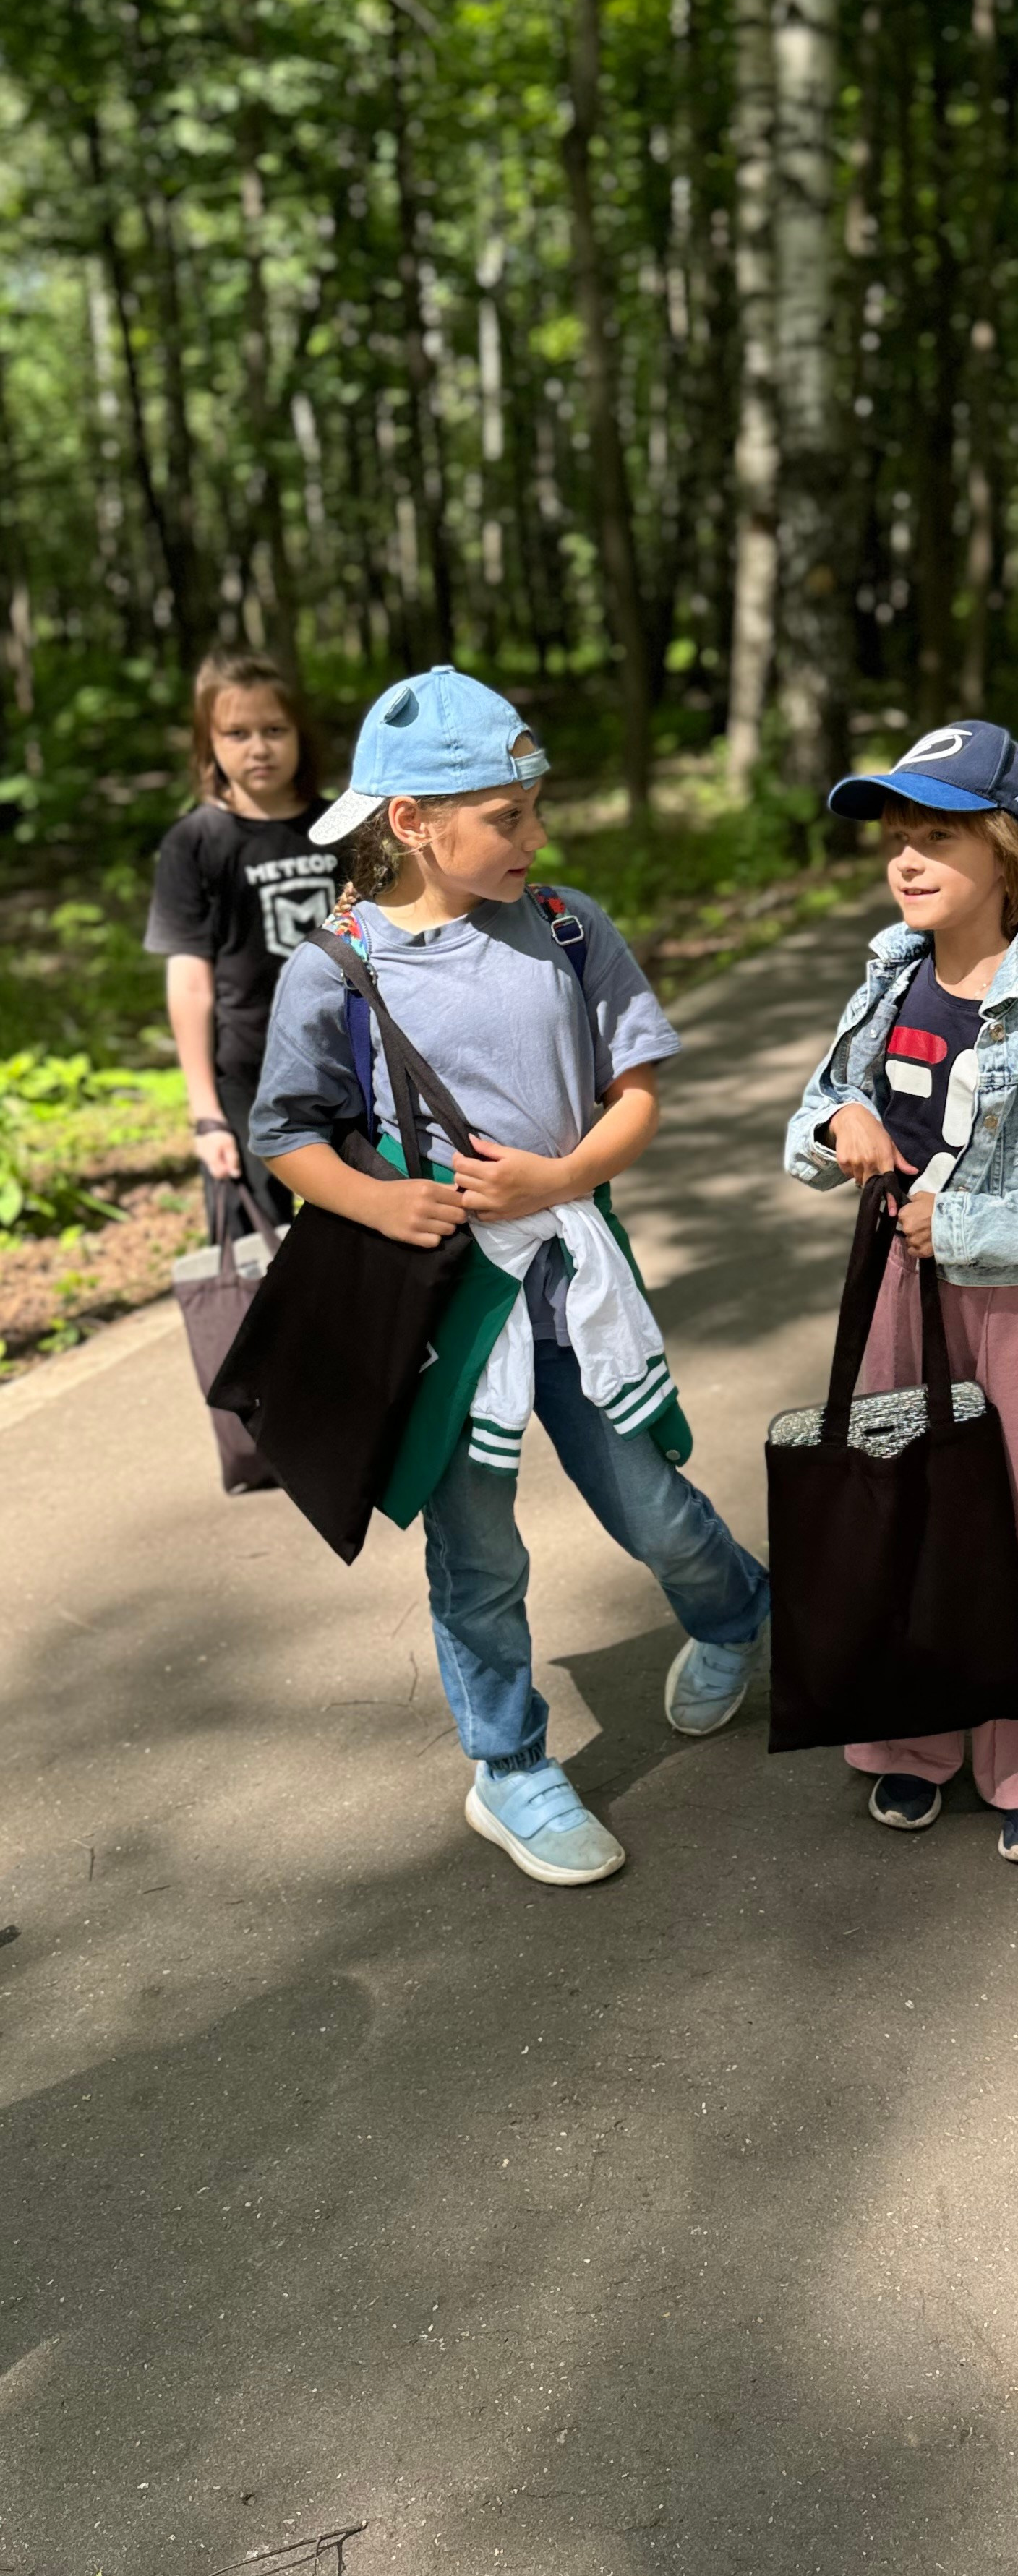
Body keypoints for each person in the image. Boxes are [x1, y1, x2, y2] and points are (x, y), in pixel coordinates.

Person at [249, 664, 769, 1889]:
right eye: (507, 816)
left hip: (571, 1273)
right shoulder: (333, 967)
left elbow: (635, 1097)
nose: (537, 839)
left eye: (536, 809)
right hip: (444, 1310)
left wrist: (558, 1177)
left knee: (647, 1500)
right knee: (475, 1551)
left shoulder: (572, 927)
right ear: (411, 824)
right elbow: (287, 1135)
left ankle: (734, 1609)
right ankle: (510, 1767)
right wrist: (380, 1199)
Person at [786, 721, 1018, 1866]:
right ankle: (907, 1743)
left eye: (938, 835)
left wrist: (967, 1222)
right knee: (901, 1507)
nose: (907, 861)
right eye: (896, 837)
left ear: (1012, 849)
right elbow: (815, 1107)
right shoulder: (889, 972)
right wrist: (840, 1121)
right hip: (894, 1290)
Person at [145, 650, 337, 1226]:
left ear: (301, 734)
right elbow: (190, 985)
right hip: (247, 1078)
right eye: (237, 733)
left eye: (275, 729)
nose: (259, 747)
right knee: (259, 1261)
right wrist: (206, 1115)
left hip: (351, 1065)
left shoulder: (341, 829)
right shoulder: (195, 843)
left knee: (367, 1251)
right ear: (209, 743)